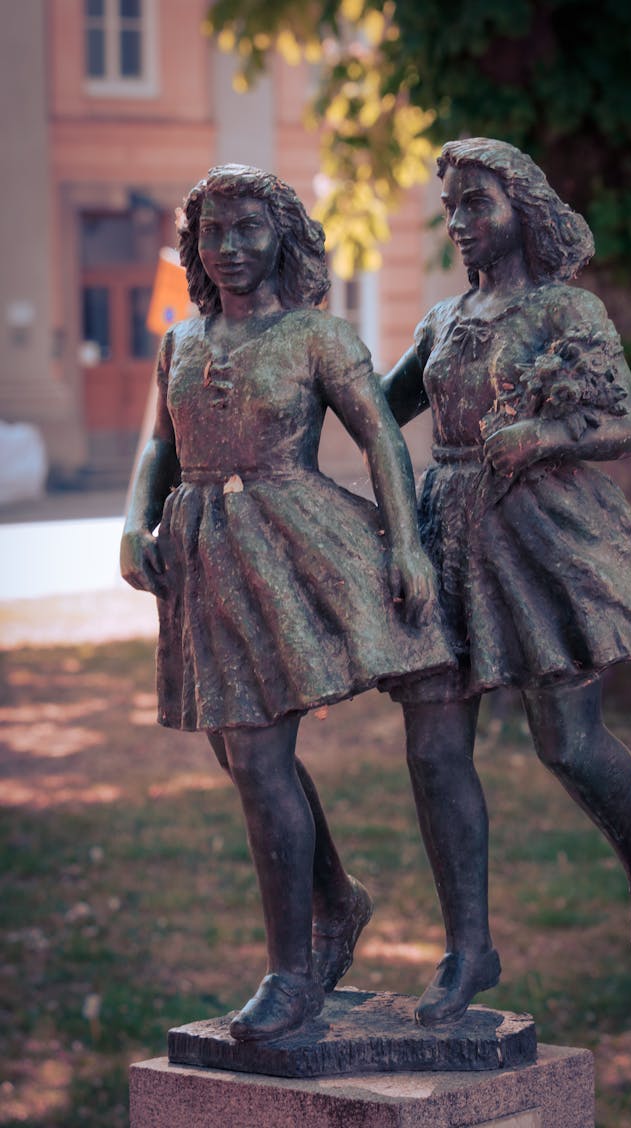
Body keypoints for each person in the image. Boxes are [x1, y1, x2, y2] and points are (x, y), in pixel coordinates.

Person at [120, 164, 453, 1042]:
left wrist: (408, 542)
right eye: (213, 233)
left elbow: (380, 435)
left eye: (248, 230)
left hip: (297, 546)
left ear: (283, 237)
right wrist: (132, 524)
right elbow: (160, 446)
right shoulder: (180, 343)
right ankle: (335, 900)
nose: (229, 248)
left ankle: (291, 974)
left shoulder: (318, 335)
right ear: (195, 245)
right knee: (239, 755)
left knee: (259, 760)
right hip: (204, 553)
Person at [382, 138, 631, 1027]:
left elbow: (626, 419)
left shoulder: (567, 311)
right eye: (451, 210)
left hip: (540, 536)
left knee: (567, 742)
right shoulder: (440, 321)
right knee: (435, 748)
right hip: (445, 533)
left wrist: (547, 436)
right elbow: (383, 405)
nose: (461, 224)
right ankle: (469, 949)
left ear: (522, 207)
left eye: (476, 204)